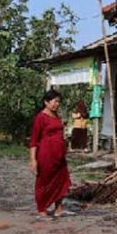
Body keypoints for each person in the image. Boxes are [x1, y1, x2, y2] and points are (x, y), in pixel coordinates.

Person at [29, 89, 72, 218]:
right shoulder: (40, 118)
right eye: (54, 101)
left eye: (58, 102)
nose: (57, 104)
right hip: (46, 155)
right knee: (44, 181)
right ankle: (42, 209)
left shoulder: (57, 116)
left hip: (59, 156)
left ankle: (59, 208)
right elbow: (34, 141)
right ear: (46, 102)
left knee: (61, 180)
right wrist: (33, 160)